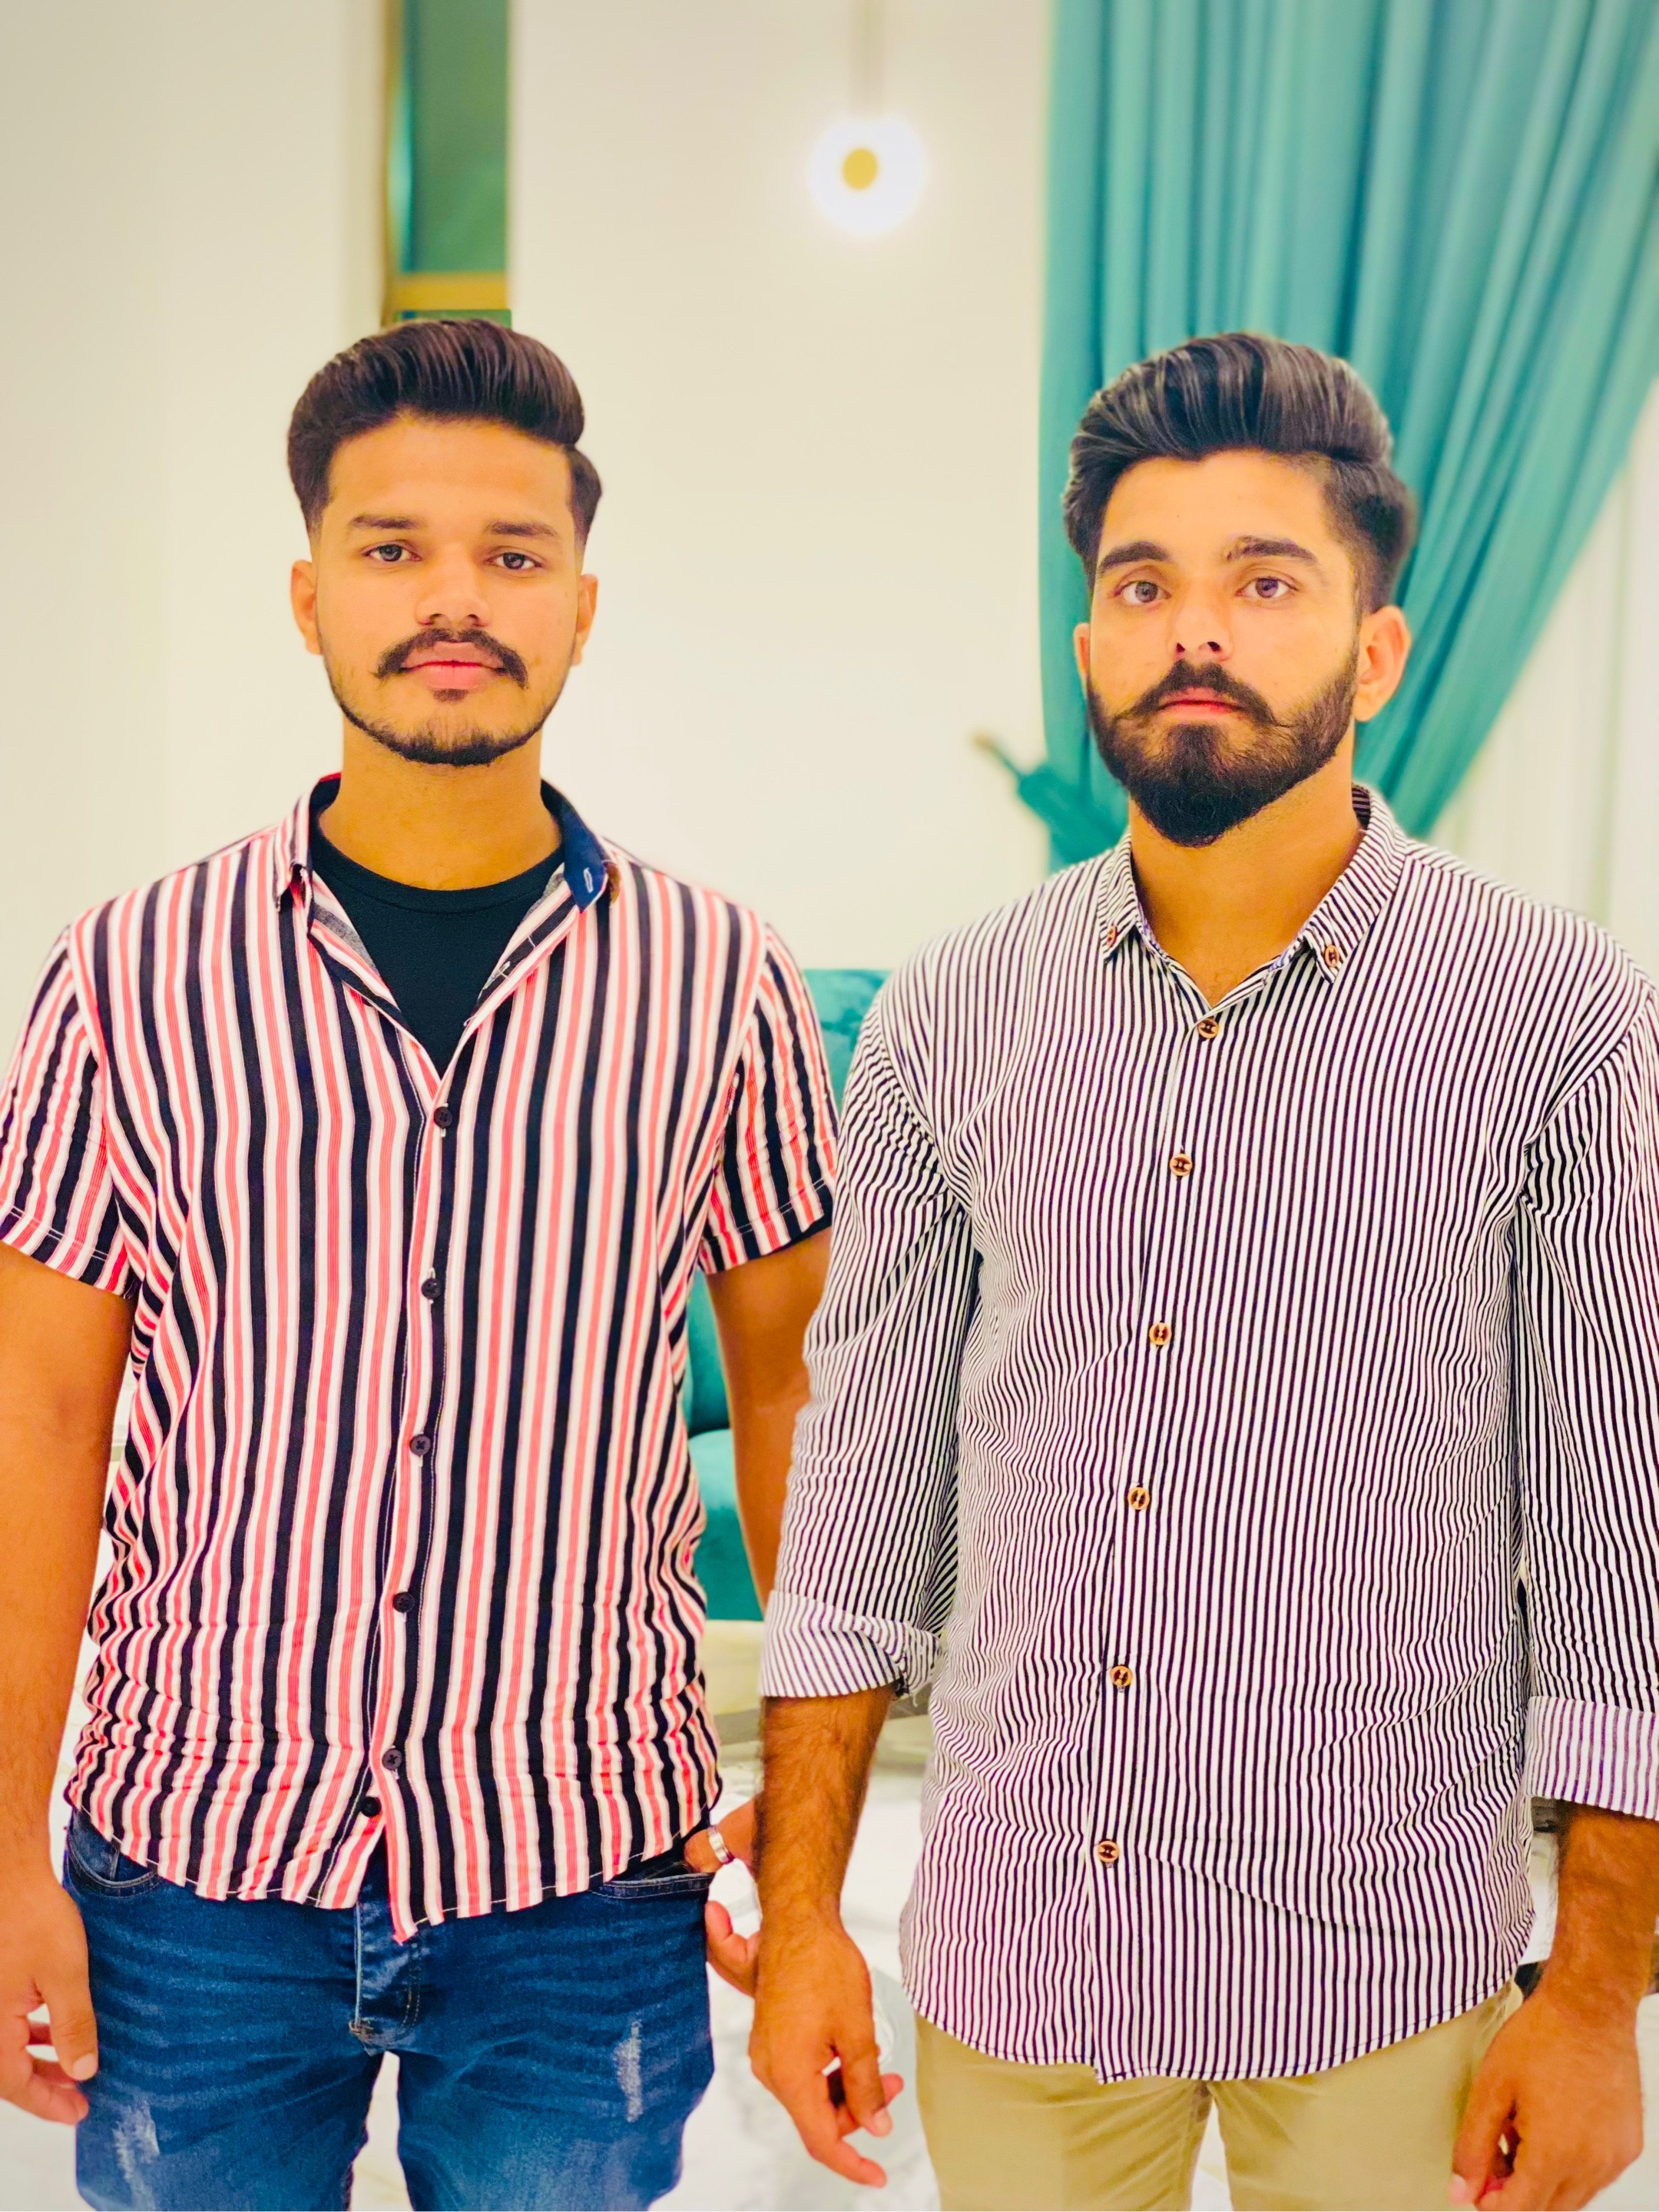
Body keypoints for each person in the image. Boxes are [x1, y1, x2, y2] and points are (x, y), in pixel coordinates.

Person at [744, 333, 1659, 2212]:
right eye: (1144, 585)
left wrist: (1591, 1997)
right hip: (1024, 1958)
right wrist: (811, 1917)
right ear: (1089, 643)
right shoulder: (946, 1017)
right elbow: (856, 1517)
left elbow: (1613, 1551)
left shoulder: (1560, 1016)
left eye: (1267, 582)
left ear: (1376, 653)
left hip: (1390, 1970)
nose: (1197, 634)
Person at [0, 318, 836, 2211]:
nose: (454, 597)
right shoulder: (126, 975)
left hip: (582, 1877)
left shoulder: (724, 982)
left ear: (582, 608)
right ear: (309, 595)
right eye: (393, 549)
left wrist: (809, 1828)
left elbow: (801, 1391)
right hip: (194, 1867)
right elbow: (38, 1413)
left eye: (510, 554)